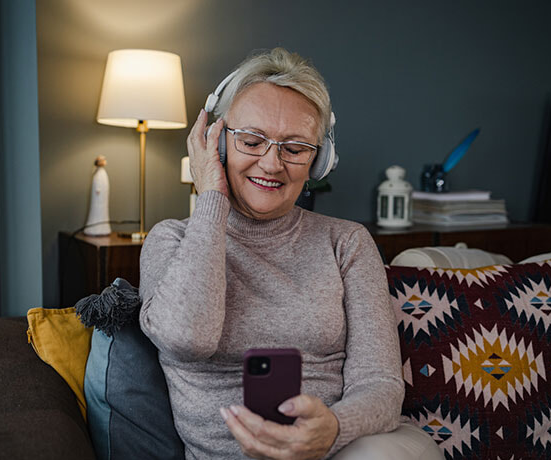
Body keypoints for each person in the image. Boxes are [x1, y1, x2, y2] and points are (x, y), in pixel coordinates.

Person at [139, 48, 416, 459]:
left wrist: (334, 429)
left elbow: (380, 383)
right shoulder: (171, 241)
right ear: (216, 144)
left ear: (319, 161)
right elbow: (187, 339)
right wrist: (211, 195)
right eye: (251, 141)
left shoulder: (348, 242)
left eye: (295, 148)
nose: (271, 164)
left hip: (346, 449)